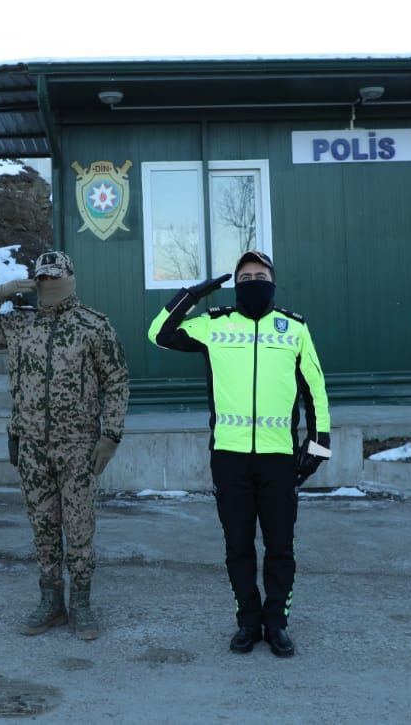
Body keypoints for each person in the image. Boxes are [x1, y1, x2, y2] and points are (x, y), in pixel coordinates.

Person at [148, 250, 330, 658]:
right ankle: (248, 622)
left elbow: (315, 389)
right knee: (238, 545)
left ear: (273, 279)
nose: (252, 280)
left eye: (259, 274)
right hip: (229, 457)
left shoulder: (294, 328)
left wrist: (317, 446)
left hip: (279, 457)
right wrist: (192, 294)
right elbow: (158, 333)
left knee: (280, 546)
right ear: (235, 283)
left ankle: (277, 622)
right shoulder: (213, 325)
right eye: (244, 276)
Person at [0, 250, 129, 641]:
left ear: (69, 279)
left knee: (80, 528)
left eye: (56, 278)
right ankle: (51, 601)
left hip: (79, 447)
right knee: (43, 527)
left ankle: (82, 604)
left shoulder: (93, 326)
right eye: (43, 279)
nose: (49, 286)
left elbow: (117, 380)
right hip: (32, 445)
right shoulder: (19, 325)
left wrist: (111, 434)